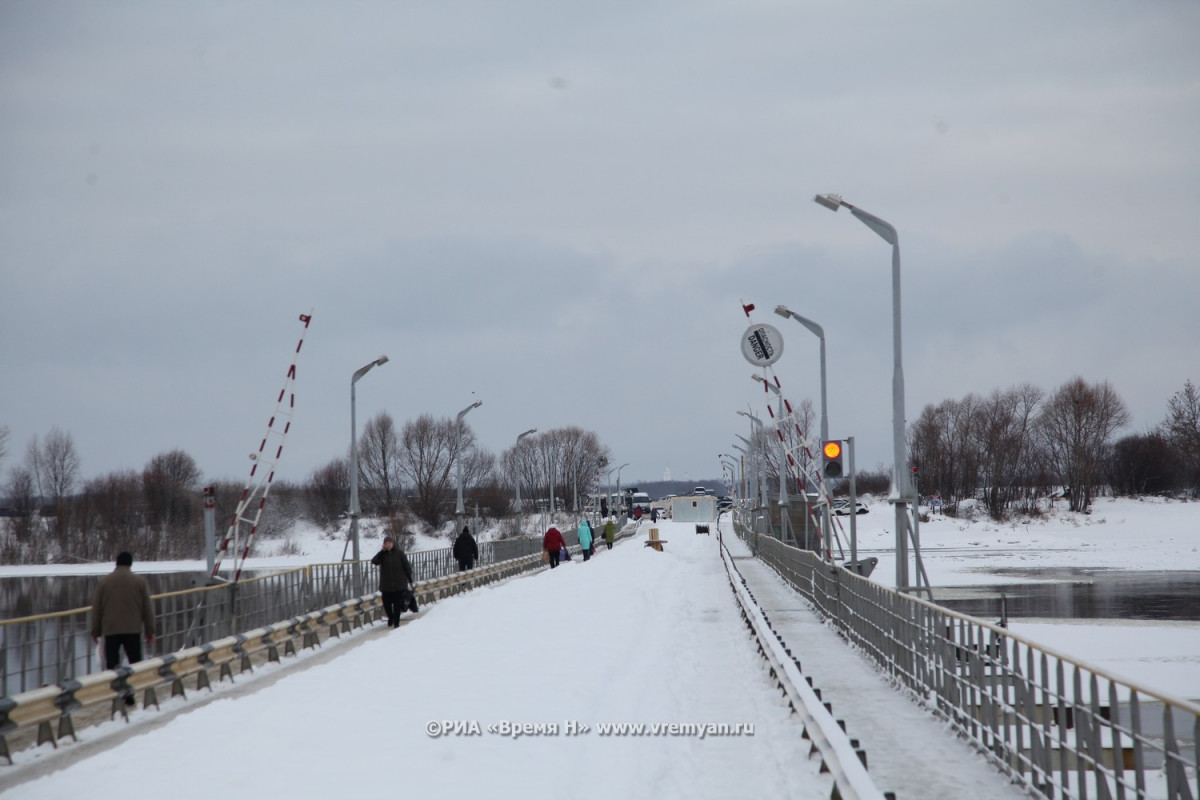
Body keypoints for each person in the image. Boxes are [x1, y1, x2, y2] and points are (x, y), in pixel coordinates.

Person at [91, 551, 156, 705]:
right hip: (132, 629)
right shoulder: (139, 581)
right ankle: (129, 694)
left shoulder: (104, 582)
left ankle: (116, 695)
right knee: (135, 664)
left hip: (111, 629)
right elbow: (148, 608)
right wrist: (150, 631)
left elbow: (97, 609)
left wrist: (96, 631)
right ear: (130, 563)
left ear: (117, 563)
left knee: (112, 665)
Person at [371, 535, 414, 628]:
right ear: (384, 545)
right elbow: (374, 561)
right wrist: (382, 551)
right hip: (386, 585)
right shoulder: (382, 555)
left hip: (399, 584)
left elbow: (407, 567)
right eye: (386, 543)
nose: (388, 545)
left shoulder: (399, 553)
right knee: (386, 604)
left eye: (389, 543)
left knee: (397, 604)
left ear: (393, 543)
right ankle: (391, 617)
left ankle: (396, 622)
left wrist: (410, 580)